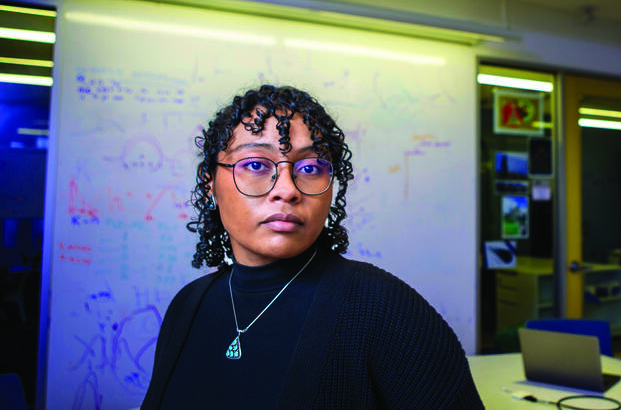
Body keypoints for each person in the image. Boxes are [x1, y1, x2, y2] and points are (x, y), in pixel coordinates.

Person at [142, 85, 484, 409]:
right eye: (256, 165)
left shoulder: (384, 309)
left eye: (310, 167)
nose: (288, 189)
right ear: (210, 185)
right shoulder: (187, 306)